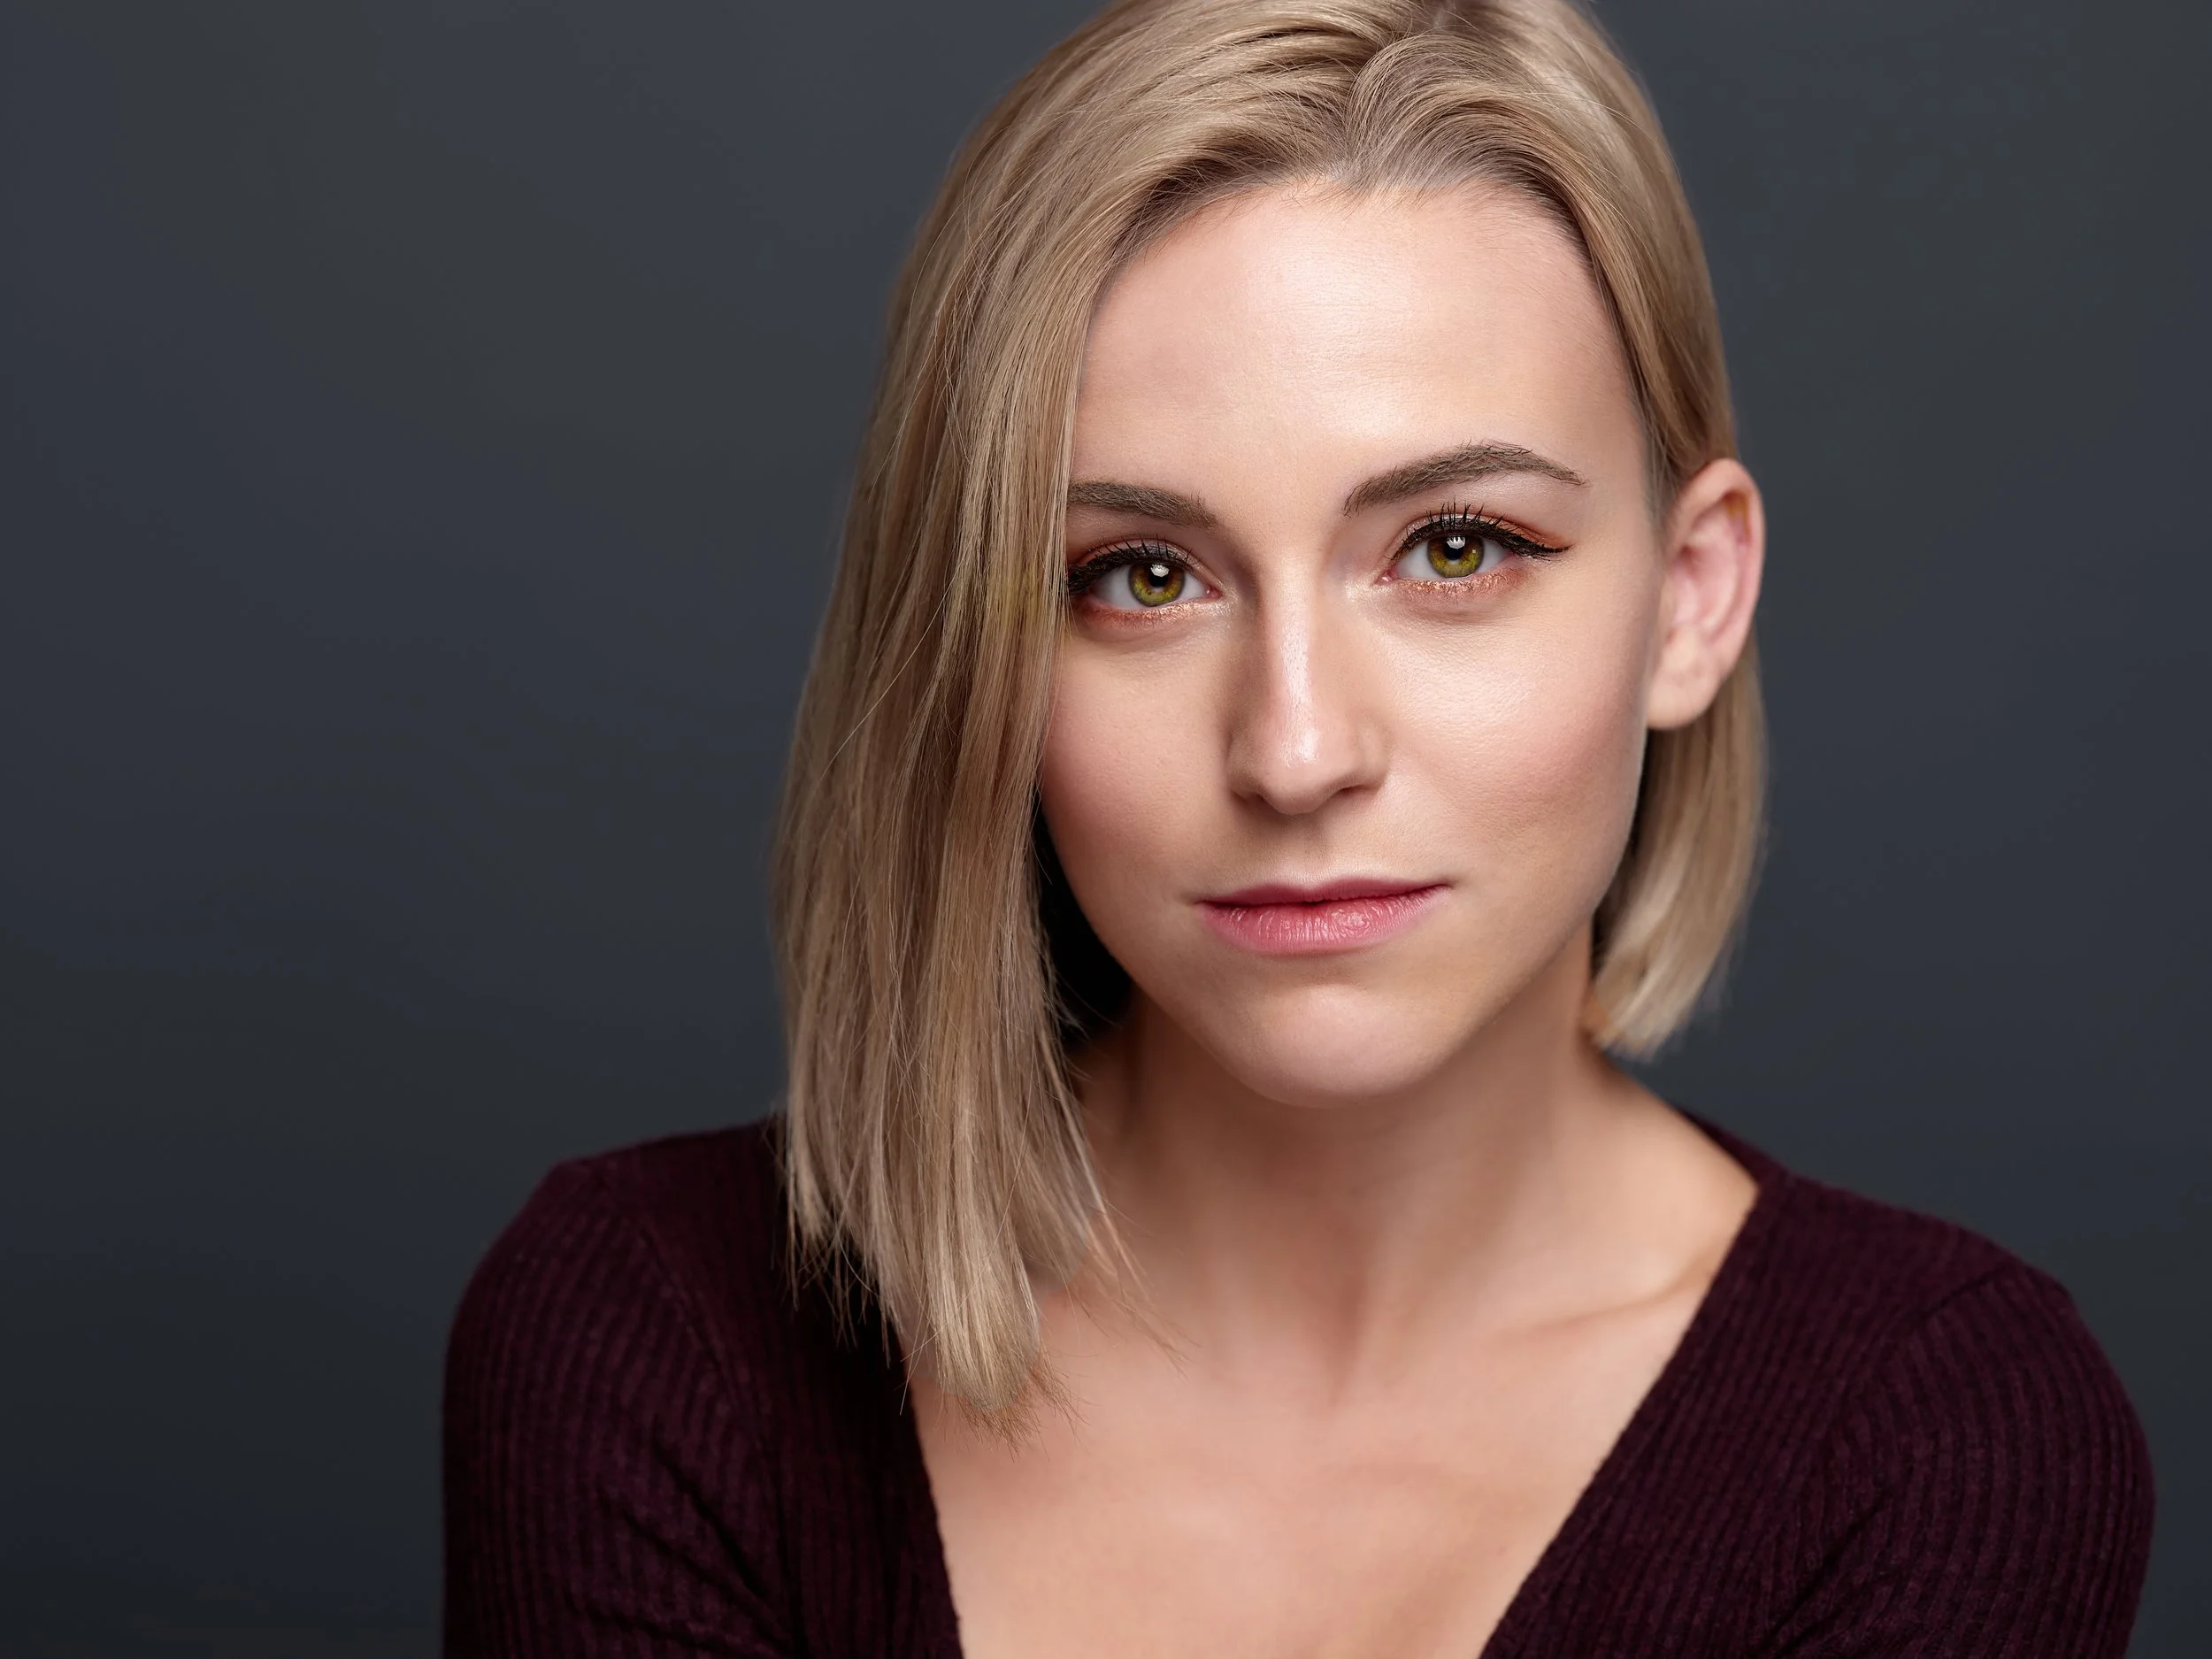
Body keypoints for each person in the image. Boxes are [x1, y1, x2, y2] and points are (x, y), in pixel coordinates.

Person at [442, 1, 2154, 1653]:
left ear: (1691, 601)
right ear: (974, 646)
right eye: (1142, 577)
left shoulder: (1937, 1442)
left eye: (1458, 548)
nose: (1298, 748)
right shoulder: (656, 1339)